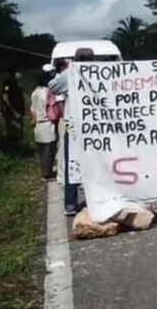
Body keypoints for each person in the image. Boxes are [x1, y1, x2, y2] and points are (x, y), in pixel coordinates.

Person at [49, 48, 95, 215]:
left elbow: (53, 87)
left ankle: (70, 204)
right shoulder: (101, 72)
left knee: (73, 165)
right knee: (97, 164)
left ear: (74, 60)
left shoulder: (70, 74)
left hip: (75, 127)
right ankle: (97, 199)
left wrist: (70, 70)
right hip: (97, 127)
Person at [31, 71, 57, 180]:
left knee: (41, 151)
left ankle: (44, 171)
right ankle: (47, 172)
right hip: (47, 123)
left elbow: (32, 109)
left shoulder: (34, 93)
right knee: (49, 150)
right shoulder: (48, 92)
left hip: (38, 124)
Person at [1, 66, 25, 142]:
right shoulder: (8, 83)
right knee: (13, 133)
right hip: (12, 113)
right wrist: (14, 112)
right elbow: (5, 97)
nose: (20, 74)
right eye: (18, 72)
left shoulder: (16, 83)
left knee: (18, 133)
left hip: (18, 112)